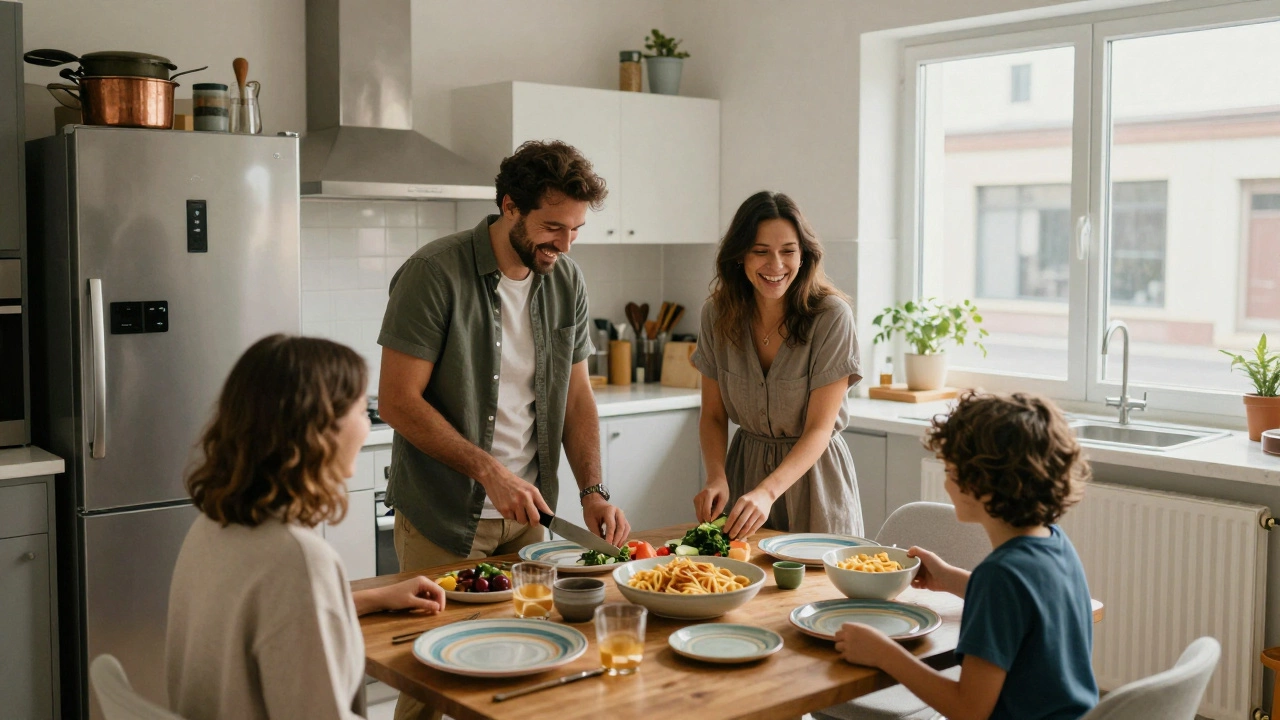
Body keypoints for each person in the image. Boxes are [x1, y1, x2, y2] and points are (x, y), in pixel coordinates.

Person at [377, 141, 630, 718]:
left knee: (518, 666)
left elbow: (578, 398)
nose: (564, 245)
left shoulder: (565, 280)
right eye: (552, 228)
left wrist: (592, 489)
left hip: (529, 517)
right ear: (509, 206)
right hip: (444, 513)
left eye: (576, 230)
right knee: (430, 683)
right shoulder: (433, 273)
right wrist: (490, 472)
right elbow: (396, 401)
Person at [166, 335, 447, 720]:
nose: (367, 425)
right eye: (362, 411)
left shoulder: (213, 526)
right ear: (320, 430)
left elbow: (279, 617)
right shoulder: (296, 558)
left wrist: (379, 597)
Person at [834, 391, 1098, 720]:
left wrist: (885, 654)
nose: (946, 483)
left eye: (950, 470)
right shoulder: (1055, 543)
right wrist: (949, 579)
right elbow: (1022, 602)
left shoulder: (999, 577)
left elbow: (968, 710)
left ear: (982, 483)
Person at [690, 191, 864, 540]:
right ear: (740, 256)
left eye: (788, 251)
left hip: (814, 481)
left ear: (804, 255)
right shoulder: (717, 315)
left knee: (820, 590)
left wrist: (769, 492)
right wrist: (716, 476)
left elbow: (819, 429)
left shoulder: (831, 318)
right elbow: (712, 415)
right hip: (746, 477)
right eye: (761, 252)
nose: (776, 265)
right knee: (742, 584)